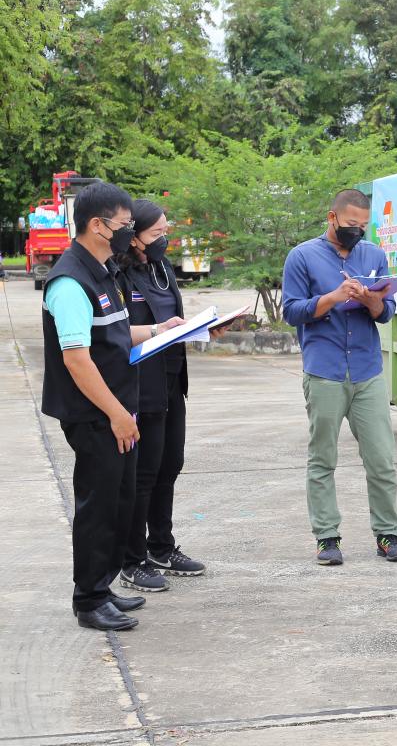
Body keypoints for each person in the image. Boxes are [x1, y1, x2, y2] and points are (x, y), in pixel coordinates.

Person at [41, 182, 183, 630]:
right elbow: (77, 359)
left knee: (120, 502)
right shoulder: (70, 282)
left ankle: (102, 586)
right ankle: (88, 600)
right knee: (98, 507)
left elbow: (115, 334)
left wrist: (160, 330)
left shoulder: (104, 272)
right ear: (98, 225)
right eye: (124, 225)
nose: (129, 232)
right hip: (95, 415)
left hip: (119, 409)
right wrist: (117, 414)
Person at [282, 189, 397, 566]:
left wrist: (372, 300)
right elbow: (292, 311)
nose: (358, 231)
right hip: (325, 370)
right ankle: (327, 538)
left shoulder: (373, 255)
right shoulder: (302, 256)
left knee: (381, 458)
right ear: (332, 218)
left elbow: (386, 312)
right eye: (352, 223)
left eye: (364, 225)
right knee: (323, 458)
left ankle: (388, 534)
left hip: (367, 369)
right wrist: (334, 297)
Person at [115, 200, 207, 594]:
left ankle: (161, 547)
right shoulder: (119, 274)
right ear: (134, 236)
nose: (164, 239)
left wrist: (202, 328)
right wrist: (159, 329)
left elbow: (171, 322)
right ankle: (131, 560)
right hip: (142, 383)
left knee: (170, 464)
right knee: (144, 474)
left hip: (171, 379)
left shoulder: (162, 267)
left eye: (166, 231)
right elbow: (117, 334)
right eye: (157, 233)